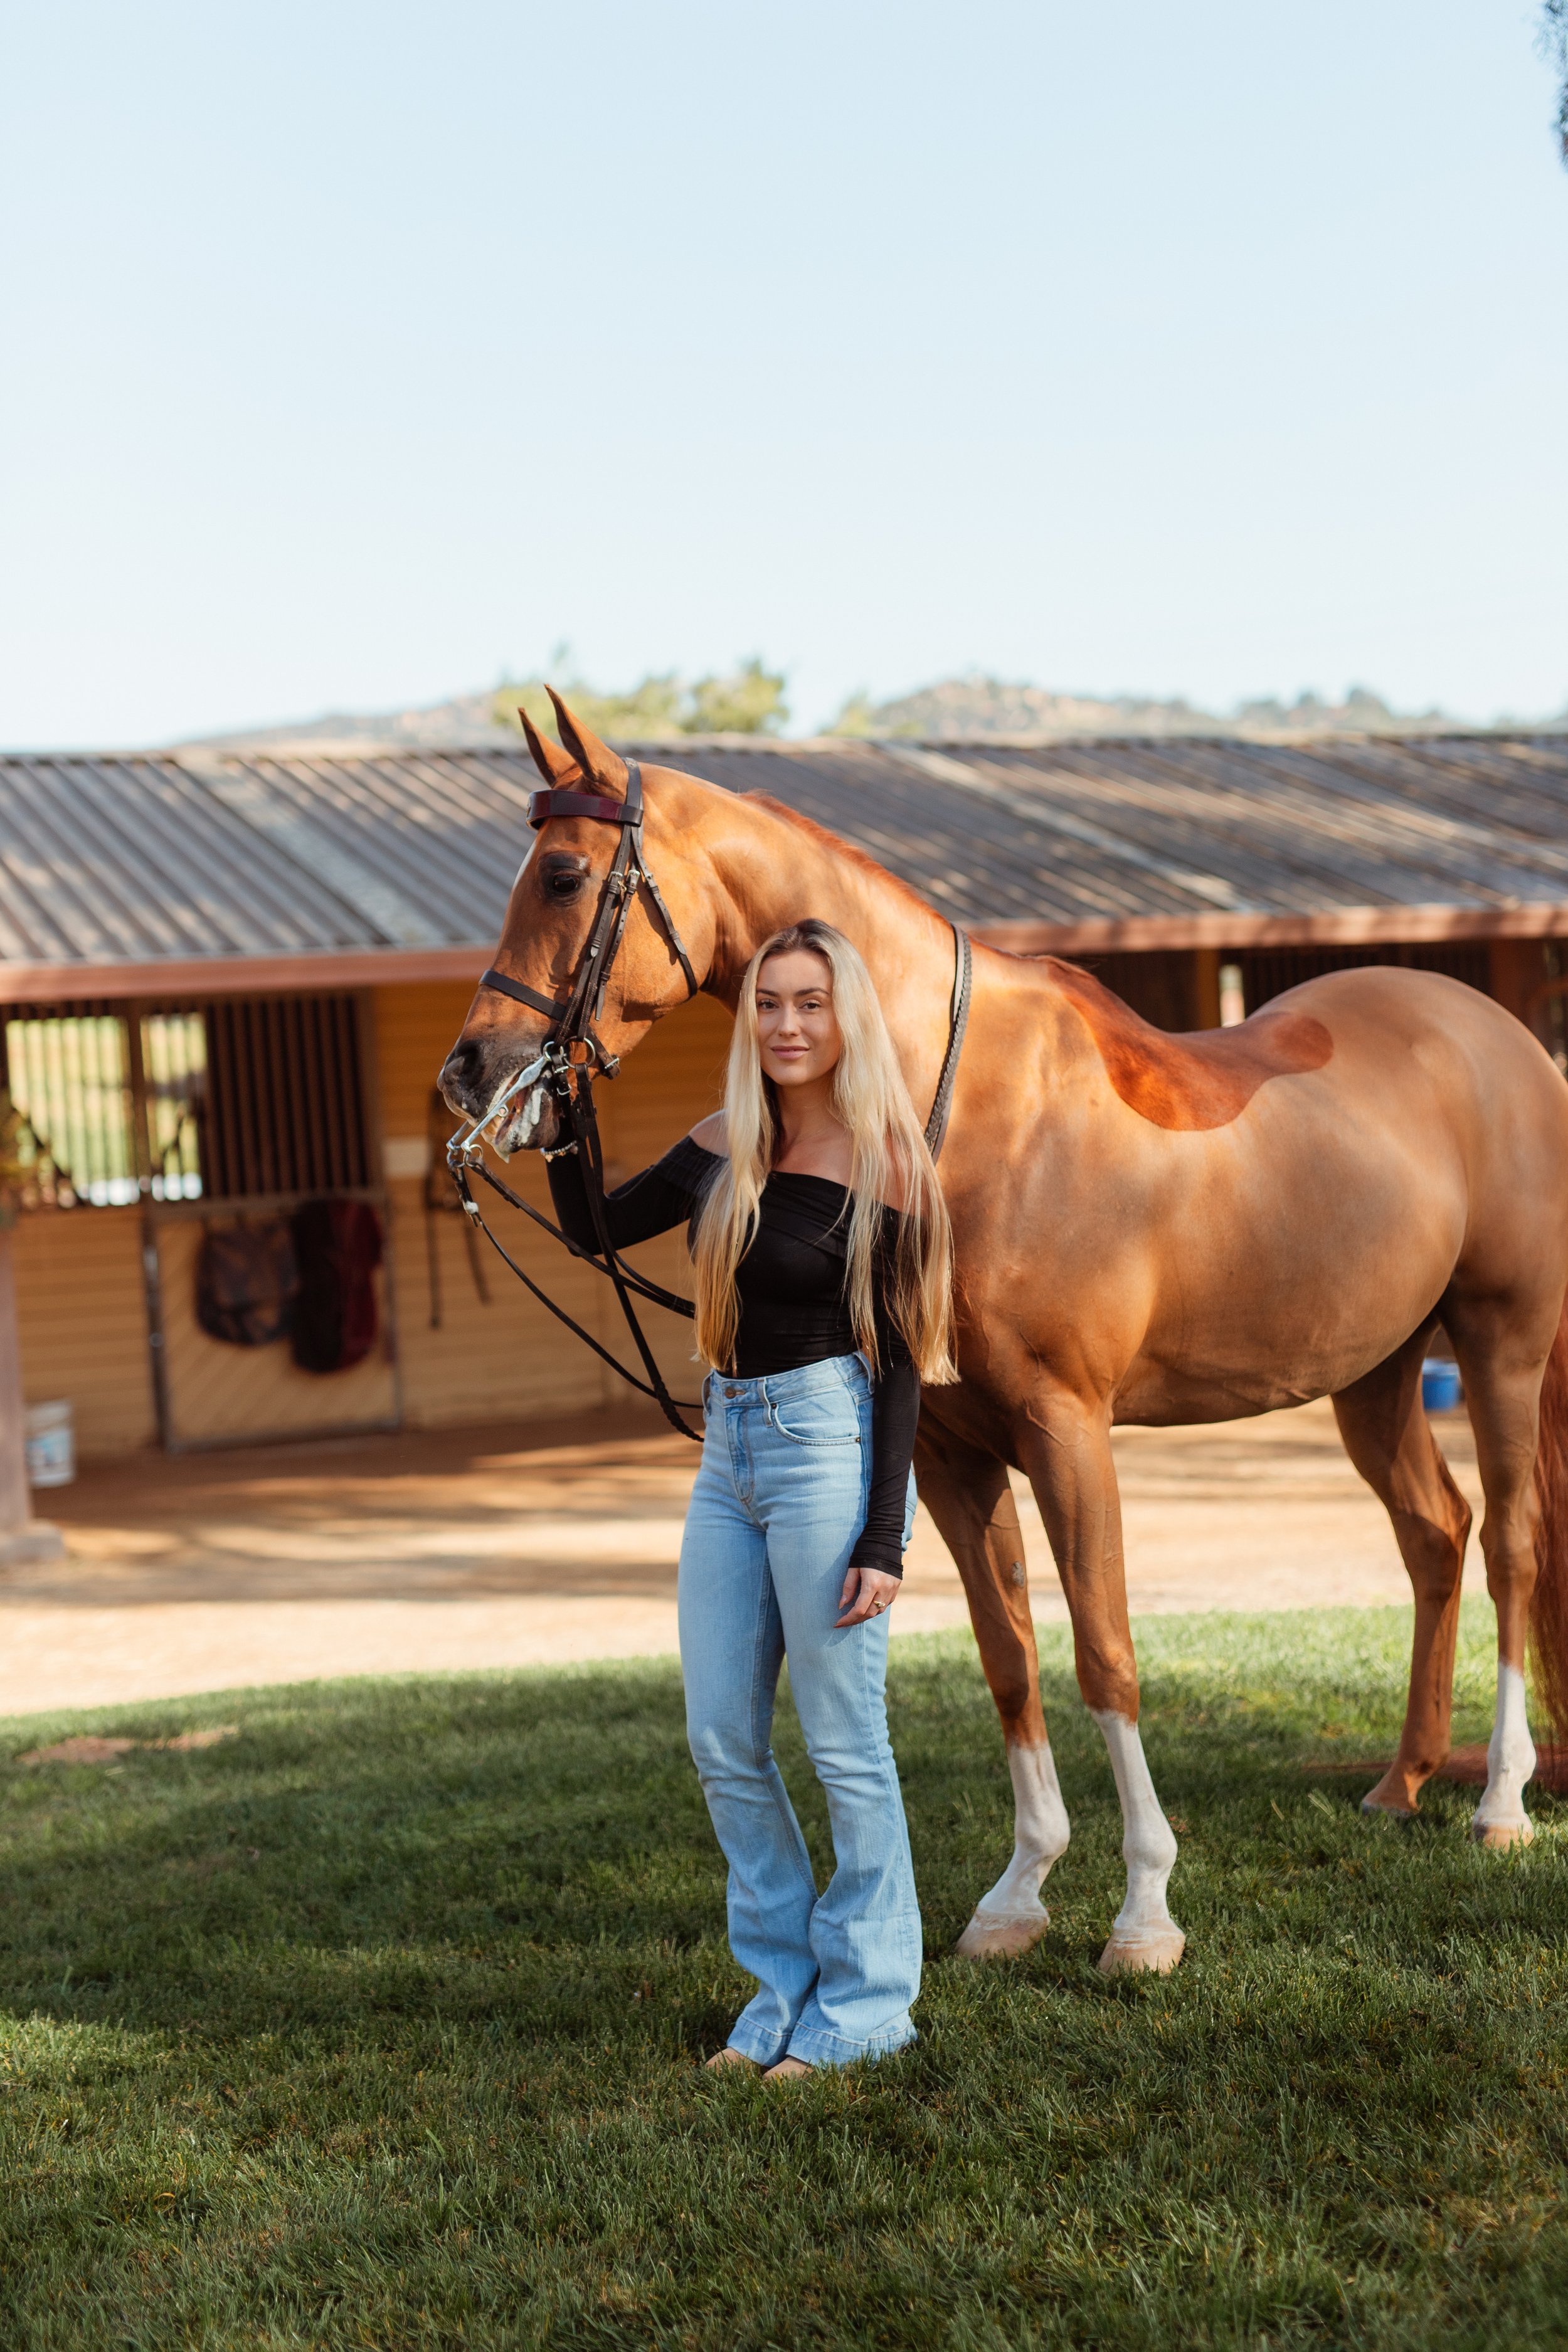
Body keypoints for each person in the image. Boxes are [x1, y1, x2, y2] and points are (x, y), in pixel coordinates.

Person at [546, 918, 956, 2077]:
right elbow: (592, 1228)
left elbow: (906, 1366)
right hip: (727, 1450)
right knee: (724, 1735)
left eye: (809, 1002)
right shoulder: (723, 1141)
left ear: (846, 1018)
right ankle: (782, 1985)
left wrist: (887, 1530)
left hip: (829, 1438)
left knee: (844, 1740)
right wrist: (566, 1110)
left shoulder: (889, 1160)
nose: (784, 1023)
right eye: (768, 1002)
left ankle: (869, 2004)